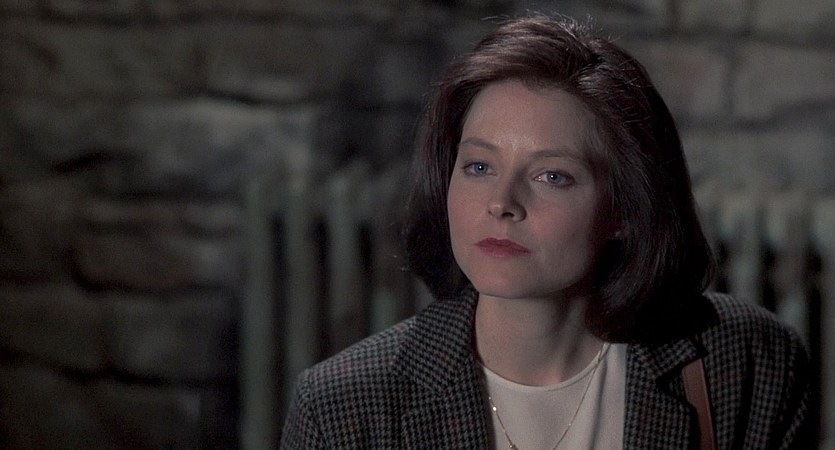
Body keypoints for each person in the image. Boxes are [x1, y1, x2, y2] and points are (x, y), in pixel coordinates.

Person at [280, 14, 812, 449]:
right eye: (479, 167)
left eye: (552, 176)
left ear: (626, 209)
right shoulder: (343, 408)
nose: (501, 203)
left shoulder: (746, 360)